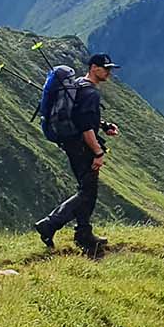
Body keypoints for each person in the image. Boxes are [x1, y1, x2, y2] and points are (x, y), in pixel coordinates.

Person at [34, 52, 119, 258]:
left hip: (71, 144)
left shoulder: (78, 85)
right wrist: (98, 152)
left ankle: (84, 234)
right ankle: (50, 224)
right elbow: (86, 128)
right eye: (105, 68)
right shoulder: (91, 94)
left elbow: (79, 115)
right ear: (93, 68)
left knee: (86, 189)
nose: (108, 72)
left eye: (109, 68)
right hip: (82, 147)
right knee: (87, 192)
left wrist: (104, 125)